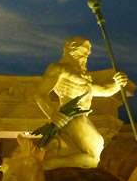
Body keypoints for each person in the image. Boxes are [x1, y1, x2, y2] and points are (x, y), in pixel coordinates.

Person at [35, 37, 127, 169]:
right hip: (71, 116)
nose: (87, 54)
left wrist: (118, 84)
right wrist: (53, 114)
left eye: (88, 51)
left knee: (98, 151)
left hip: (83, 118)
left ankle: (55, 164)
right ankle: (49, 165)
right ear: (72, 49)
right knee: (96, 157)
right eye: (84, 50)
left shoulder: (84, 76)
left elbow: (104, 90)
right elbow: (40, 94)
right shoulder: (59, 68)